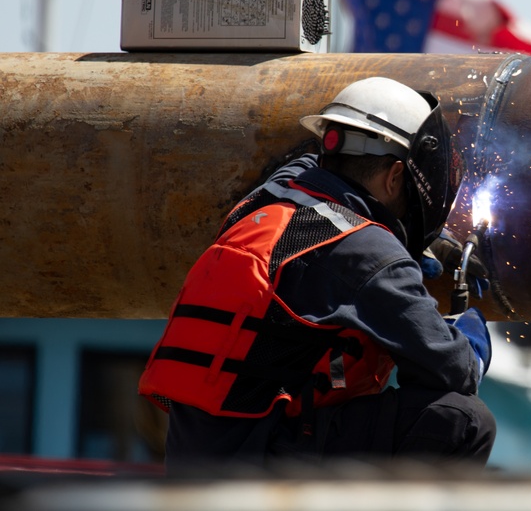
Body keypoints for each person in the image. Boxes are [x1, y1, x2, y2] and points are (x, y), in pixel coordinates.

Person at [139, 76, 495, 473]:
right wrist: (473, 338)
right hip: (260, 466)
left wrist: (419, 243)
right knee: (463, 419)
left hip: (198, 457)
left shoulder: (262, 203)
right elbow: (452, 369)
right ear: (395, 177)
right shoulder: (365, 250)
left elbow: (312, 171)